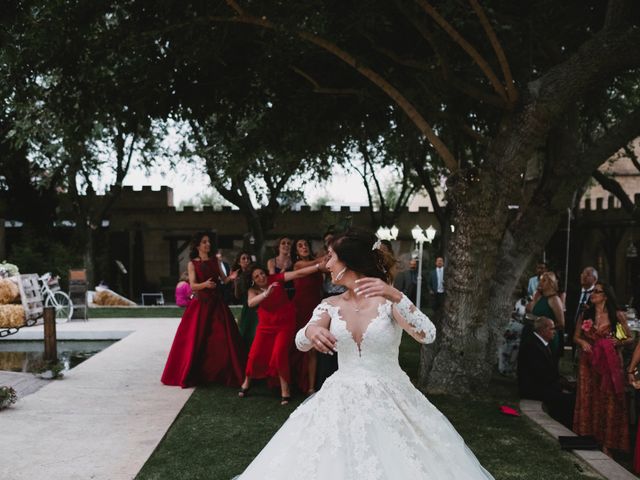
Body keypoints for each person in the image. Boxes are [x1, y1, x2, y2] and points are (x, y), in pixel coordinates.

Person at [234, 229, 494, 479]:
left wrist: (395, 294)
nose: (327, 263)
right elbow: (300, 342)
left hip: (391, 397)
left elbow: (428, 335)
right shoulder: (330, 305)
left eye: (332, 257)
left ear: (349, 262)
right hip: (339, 397)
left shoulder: (389, 302)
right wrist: (312, 330)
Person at [161, 232, 244, 388]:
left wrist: (231, 277)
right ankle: (195, 373)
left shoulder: (215, 260)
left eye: (209, 242)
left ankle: (221, 373)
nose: (208, 244)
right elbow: (192, 285)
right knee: (196, 339)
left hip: (217, 304)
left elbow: (223, 279)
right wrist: (205, 285)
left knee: (221, 339)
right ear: (198, 245)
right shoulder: (192, 264)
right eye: (204, 242)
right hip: (201, 305)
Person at [238, 260, 325, 405]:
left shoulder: (276, 279)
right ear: (252, 281)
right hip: (265, 326)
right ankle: (246, 382)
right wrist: (266, 293)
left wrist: (317, 267)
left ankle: (285, 391)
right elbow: (251, 303)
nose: (261, 277)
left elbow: (298, 273)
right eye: (256, 277)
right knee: (254, 354)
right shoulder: (252, 291)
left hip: (285, 324)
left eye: (261, 273)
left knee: (279, 354)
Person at [573, 282, 632, 456]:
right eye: (593, 291)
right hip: (589, 361)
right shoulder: (586, 314)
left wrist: (618, 341)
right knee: (588, 396)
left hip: (609, 363)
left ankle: (607, 443)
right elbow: (576, 336)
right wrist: (583, 342)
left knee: (608, 400)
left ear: (605, 296)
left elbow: (628, 338)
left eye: (597, 292)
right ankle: (587, 437)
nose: (593, 294)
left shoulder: (616, 316)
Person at [517, 317, 575, 428]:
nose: (554, 332)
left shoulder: (541, 344)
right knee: (569, 400)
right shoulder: (532, 346)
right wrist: (561, 384)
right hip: (533, 390)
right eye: (552, 329)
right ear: (543, 330)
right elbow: (541, 374)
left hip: (542, 385)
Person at [290, 237, 325, 394]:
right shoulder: (298, 264)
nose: (303, 247)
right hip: (300, 308)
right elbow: (314, 265)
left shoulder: (318, 263)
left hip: (316, 306)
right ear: (296, 251)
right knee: (300, 345)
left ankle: (311, 387)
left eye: (305, 245)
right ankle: (296, 382)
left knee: (313, 348)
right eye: (300, 245)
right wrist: (323, 259)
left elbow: (326, 269)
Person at [525, 271, 565, 360]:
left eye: (544, 280)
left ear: (551, 283)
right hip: (535, 337)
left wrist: (546, 328)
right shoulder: (539, 297)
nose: (540, 282)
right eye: (540, 280)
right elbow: (530, 311)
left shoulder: (555, 299)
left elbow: (562, 324)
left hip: (548, 338)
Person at [566, 266, 597, 353]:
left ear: (594, 279)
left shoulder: (597, 295)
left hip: (590, 338)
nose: (583, 276)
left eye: (587, 274)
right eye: (583, 273)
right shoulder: (573, 292)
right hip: (572, 332)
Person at [233, 251, 259, 348]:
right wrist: (235, 283)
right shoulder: (238, 276)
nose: (246, 260)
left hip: (256, 306)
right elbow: (237, 296)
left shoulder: (255, 273)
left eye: (248, 258)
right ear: (239, 262)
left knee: (255, 333)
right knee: (245, 332)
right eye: (243, 259)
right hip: (246, 307)